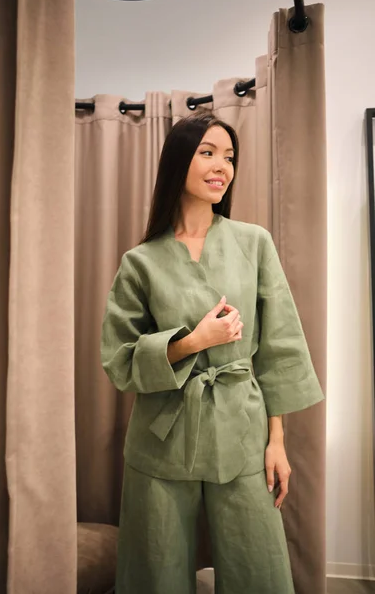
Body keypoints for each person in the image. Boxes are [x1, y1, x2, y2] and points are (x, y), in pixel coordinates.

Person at [100, 110, 324, 594]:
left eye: (229, 156)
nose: (223, 166)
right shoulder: (141, 261)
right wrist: (194, 342)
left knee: (257, 568)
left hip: (241, 428)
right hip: (162, 437)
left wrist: (277, 441)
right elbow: (119, 357)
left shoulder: (253, 243)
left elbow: (280, 345)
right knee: (155, 570)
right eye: (207, 153)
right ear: (178, 161)